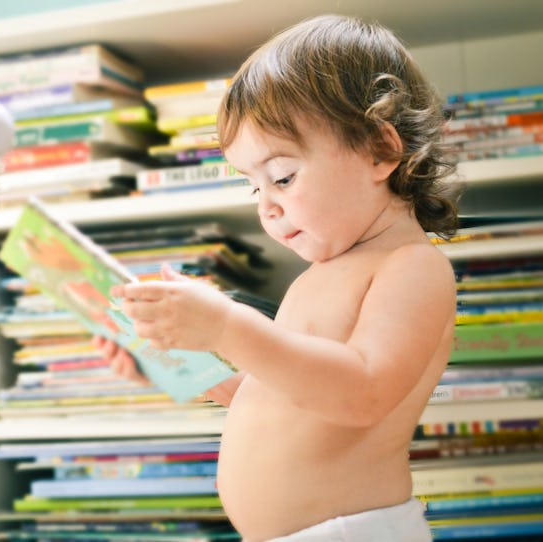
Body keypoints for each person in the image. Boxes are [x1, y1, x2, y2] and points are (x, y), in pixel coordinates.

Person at [94, 13, 460, 541]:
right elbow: (286, 393)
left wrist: (226, 326)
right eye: (254, 187)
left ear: (380, 149)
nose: (267, 207)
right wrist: (183, 364)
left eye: (283, 177)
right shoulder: (324, 273)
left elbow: (363, 394)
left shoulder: (412, 268)